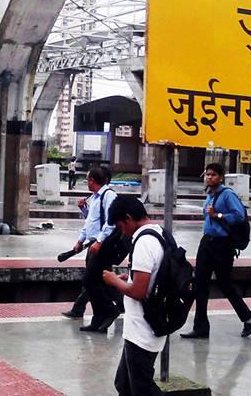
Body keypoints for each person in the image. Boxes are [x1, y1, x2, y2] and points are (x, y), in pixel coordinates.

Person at [181, 163, 251, 339]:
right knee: (200, 284)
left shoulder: (227, 195)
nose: (209, 177)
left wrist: (218, 215)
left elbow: (239, 216)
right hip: (207, 243)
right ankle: (200, 327)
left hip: (223, 245)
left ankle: (248, 316)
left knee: (224, 284)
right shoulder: (209, 195)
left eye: (213, 175)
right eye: (207, 174)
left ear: (221, 177)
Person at [102, 195, 164, 396]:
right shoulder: (159, 233)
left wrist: (114, 281)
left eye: (120, 226)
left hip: (143, 330)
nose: (122, 232)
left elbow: (139, 291)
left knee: (141, 389)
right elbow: (153, 275)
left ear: (128, 218)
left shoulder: (144, 242)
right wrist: (129, 278)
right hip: (142, 327)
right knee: (124, 384)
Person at [73, 166, 126, 332]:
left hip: (104, 245)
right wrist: (81, 240)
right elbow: (92, 221)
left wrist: (100, 241)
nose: (87, 182)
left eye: (88, 179)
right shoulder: (95, 197)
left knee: (90, 281)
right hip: (94, 244)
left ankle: (110, 310)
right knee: (96, 281)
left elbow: (111, 221)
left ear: (93, 180)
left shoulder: (109, 195)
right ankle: (98, 319)